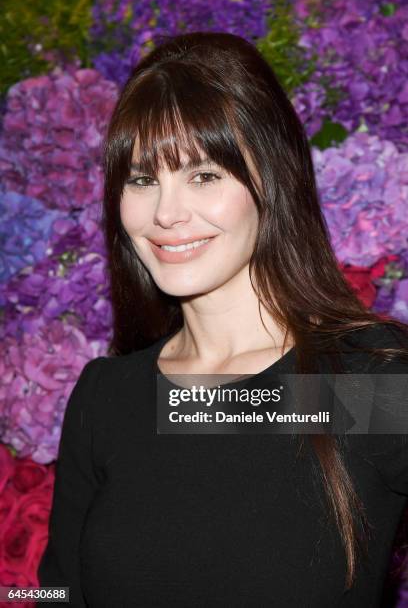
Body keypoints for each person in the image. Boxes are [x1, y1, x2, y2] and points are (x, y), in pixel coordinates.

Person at [37, 31, 408, 607]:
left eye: (203, 175)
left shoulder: (366, 383)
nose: (166, 213)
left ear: (273, 179)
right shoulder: (108, 400)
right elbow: (57, 593)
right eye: (142, 179)